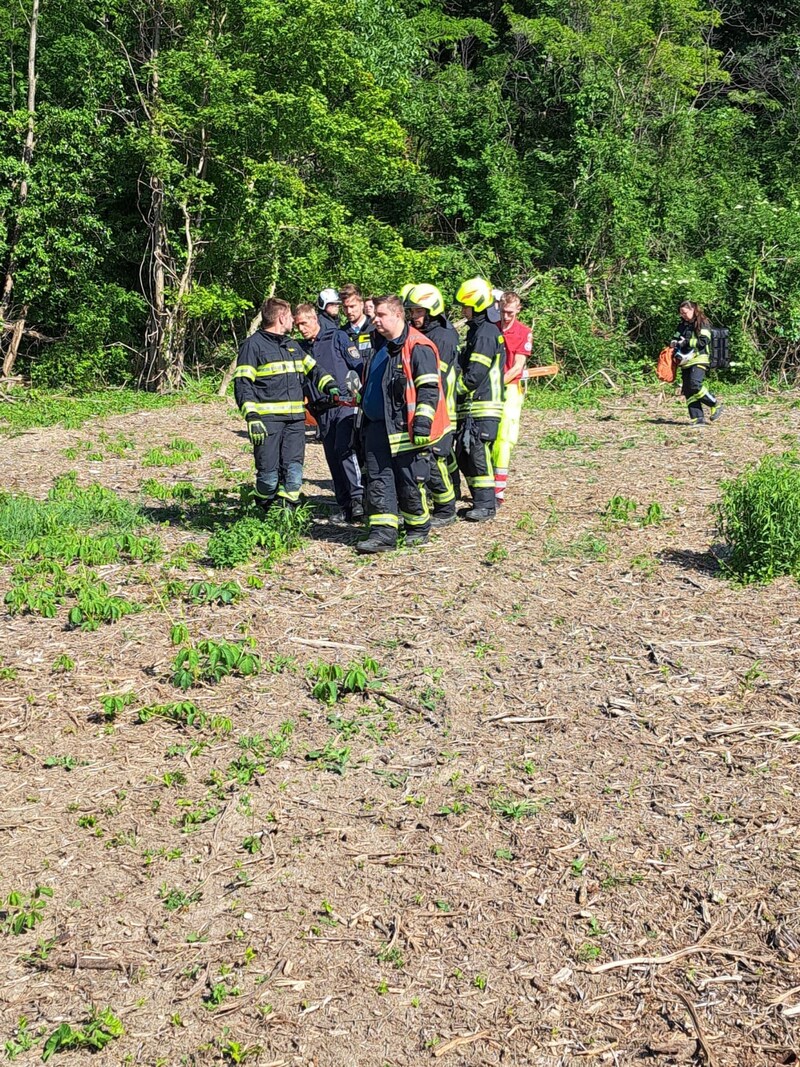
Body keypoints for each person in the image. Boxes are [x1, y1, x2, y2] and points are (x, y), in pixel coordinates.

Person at [356, 295, 450, 554]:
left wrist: (421, 424)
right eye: (374, 315)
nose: (375, 319)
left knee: (409, 481)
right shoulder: (382, 347)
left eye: (381, 315)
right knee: (378, 480)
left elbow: (429, 389)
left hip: (404, 430)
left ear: (398, 315)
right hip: (376, 427)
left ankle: (418, 528)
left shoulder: (418, 346)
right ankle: (382, 534)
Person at [233, 297, 339, 510]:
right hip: (267, 423)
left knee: (293, 474)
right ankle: (263, 511)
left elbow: (313, 369)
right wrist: (252, 417)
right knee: (268, 478)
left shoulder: (292, 346)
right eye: (290, 316)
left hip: (295, 423)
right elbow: (243, 384)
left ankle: (287, 518)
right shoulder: (253, 346)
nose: (293, 321)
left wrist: (330, 385)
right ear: (281, 318)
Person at [294, 303, 364, 523]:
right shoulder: (300, 348)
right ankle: (344, 506)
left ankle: (359, 500)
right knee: (332, 458)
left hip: (344, 405)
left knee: (345, 450)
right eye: (297, 325)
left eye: (304, 323)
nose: (301, 329)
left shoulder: (337, 337)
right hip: (321, 411)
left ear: (314, 319)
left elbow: (358, 366)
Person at [403, 284, 459, 527]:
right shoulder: (425, 334)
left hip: (440, 409)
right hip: (431, 408)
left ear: (432, 310)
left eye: (418, 311)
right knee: (431, 460)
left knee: (436, 460)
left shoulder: (442, 337)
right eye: (412, 312)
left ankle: (447, 509)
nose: (414, 317)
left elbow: (436, 380)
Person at [454, 276, 506, 522]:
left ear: (476, 305)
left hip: (484, 405)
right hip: (474, 407)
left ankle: (486, 505)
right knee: (465, 455)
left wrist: (453, 390)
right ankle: (479, 501)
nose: (463, 311)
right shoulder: (479, 331)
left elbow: (474, 375)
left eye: (465, 306)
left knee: (477, 453)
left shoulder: (485, 333)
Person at [492, 291, 532, 503]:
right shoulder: (492, 329)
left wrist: (497, 384)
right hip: (489, 390)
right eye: (503, 312)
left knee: (504, 439)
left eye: (510, 312)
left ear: (518, 310)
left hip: (510, 389)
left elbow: (518, 366)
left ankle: (499, 490)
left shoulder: (523, 332)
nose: (506, 316)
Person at [671, 301, 723, 425]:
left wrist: (686, 343)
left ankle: (715, 404)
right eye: (681, 313)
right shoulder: (683, 324)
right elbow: (676, 335)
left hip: (699, 358)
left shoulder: (703, 323)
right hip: (685, 361)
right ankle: (698, 419)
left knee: (695, 384)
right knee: (688, 390)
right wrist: (674, 341)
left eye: (685, 312)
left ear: (693, 309)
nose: (683, 315)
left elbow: (703, 341)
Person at [339, 283, 377, 369]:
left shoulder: (375, 328)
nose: (348, 311)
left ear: (362, 304)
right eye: (345, 307)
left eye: (352, 306)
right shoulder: (341, 334)